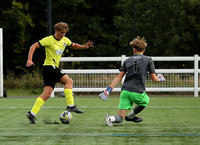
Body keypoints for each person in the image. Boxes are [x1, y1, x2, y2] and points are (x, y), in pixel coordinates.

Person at [26, 22, 94, 124]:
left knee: (47, 94)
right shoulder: (48, 40)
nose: (63, 35)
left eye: (64, 33)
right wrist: (29, 59)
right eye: (61, 32)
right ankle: (70, 106)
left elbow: (74, 45)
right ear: (56, 31)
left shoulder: (65, 40)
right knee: (69, 81)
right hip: (49, 67)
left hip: (50, 69)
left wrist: (84, 47)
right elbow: (33, 46)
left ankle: (32, 113)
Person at [99, 36, 165, 126]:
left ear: (134, 50)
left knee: (120, 118)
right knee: (145, 100)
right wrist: (160, 79)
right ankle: (130, 117)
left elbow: (119, 76)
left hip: (125, 91)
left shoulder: (127, 61)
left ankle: (110, 118)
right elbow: (154, 78)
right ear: (144, 50)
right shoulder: (148, 60)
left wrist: (108, 90)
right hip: (137, 91)